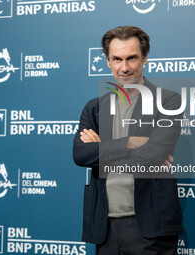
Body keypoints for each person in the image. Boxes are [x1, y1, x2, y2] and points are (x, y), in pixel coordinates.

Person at [73, 26, 184, 255]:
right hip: (104, 227)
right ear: (108, 61)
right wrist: (130, 143)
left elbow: (152, 155)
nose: (124, 67)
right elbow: (80, 155)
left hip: (151, 227)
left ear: (145, 59)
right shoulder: (94, 108)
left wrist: (103, 151)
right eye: (117, 59)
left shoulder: (169, 101)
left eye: (131, 58)